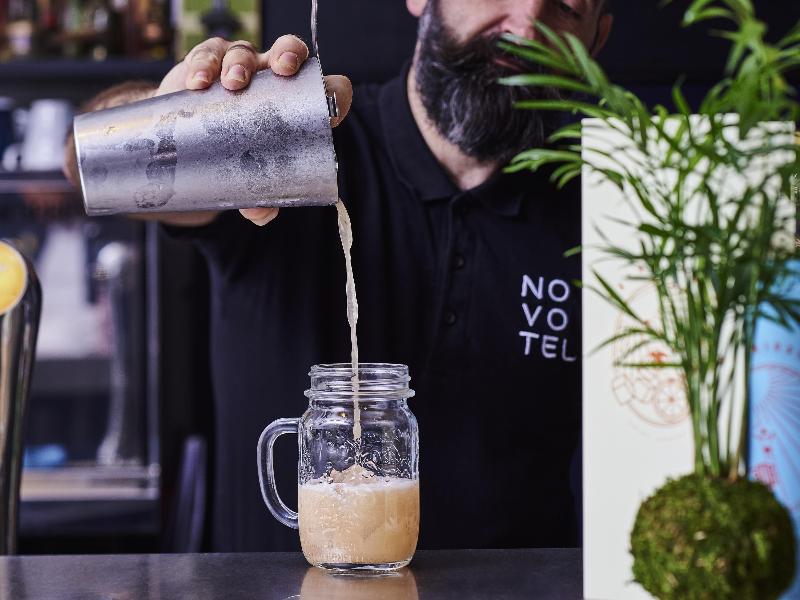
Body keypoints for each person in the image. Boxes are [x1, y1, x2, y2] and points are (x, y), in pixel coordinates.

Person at [65, 0, 613, 552]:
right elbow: (83, 169)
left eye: (568, 5)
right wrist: (176, 122)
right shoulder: (285, 144)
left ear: (597, 39)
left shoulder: (617, 207)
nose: (526, 23)